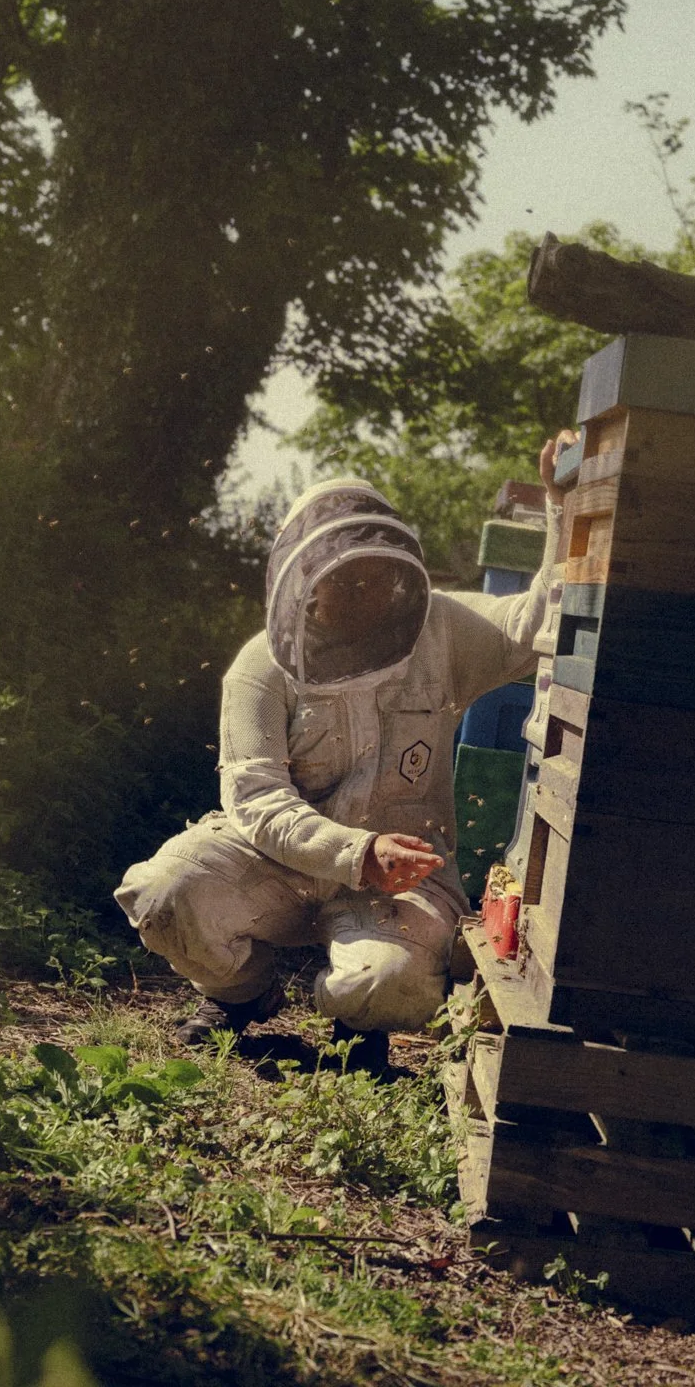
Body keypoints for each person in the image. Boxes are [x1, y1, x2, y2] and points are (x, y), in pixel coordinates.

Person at [114, 432, 573, 1070]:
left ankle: (357, 1020)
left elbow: (531, 630)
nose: (363, 593)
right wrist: (355, 852)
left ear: (400, 575)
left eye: (377, 578)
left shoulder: (440, 632)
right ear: (306, 583)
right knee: (165, 897)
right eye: (344, 580)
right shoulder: (258, 670)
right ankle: (243, 994)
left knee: (388, 984)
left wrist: (560, 503)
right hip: (276, 860)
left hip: (405, 873)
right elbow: (256, 801)